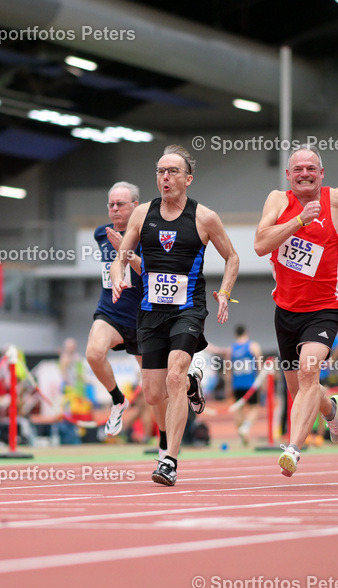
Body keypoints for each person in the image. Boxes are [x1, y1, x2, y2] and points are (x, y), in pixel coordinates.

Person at [111, 144, 239, 486]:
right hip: (151, 311)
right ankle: (192, 384)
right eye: (160, 172)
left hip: (188, 309)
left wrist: (225, 293)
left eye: (172, 172)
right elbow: (122, 254)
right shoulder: (142, 215)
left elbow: (233, 258)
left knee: (174, 377)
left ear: (188, 179)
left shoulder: (204, 218)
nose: (164, 178)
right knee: (153, 393)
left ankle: (169, 459)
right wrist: (117, 279)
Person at [253, 145, 338, 476]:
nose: (304, 173)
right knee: (300, 390)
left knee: (308, 373)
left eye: (311, 168)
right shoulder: (278, 201)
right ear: (289, 175)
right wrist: (297, 221)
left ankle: (292, 450)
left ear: (321, 174)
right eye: (298, 169)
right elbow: (261, 245)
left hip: (324, 309)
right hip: (286, 311)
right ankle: (331, 410)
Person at [85, 181, 144, 437]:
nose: (115, 209)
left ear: (135, 206)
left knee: (155, 392)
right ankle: (118, 399)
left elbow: (148, 273)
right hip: (110, 312)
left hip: (143, 318)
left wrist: (126, 250)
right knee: (94, 353)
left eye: (120, 204)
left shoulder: (148, 235)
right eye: (111, 205)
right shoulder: (101, 234)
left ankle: (166, 448)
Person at [228, 325, 263, 445]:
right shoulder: (253, 346)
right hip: (250, 383)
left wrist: (229, 386)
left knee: (238, 410)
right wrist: (261, 382)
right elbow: (259, 365)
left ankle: (242, 434)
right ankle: (246, 427)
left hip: (237, 384)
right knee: (254, 408)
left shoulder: (231, 349)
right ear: (246, 332)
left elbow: (228, 370)